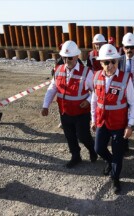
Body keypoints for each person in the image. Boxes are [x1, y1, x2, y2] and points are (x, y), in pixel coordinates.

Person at [42, 40, 98, 168]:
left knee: (83, 136)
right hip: (65, 111)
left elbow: (96, 91)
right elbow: (52, 87)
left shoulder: (87, 72)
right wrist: (45, 105)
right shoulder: (58, 69)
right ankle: (75, 156)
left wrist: (88, 100)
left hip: (81, 112)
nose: (67, 60)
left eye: (70, 57)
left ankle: (92, 149)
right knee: (70, 136)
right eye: (64, 57)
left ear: (77, 56)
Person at [91, 44, 134, 194]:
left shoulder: (125, 78)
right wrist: (93, 119)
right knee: (98, 148)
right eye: (106, 62)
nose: (110, 65)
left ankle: (115, 178)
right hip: (102, 121)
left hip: (118, 123)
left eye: (113, 61)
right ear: (101, 63)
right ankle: (111, 162)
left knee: (118, 153)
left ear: (118, 62)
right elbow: (94, 100)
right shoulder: (97, 76)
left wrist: (130, 125)